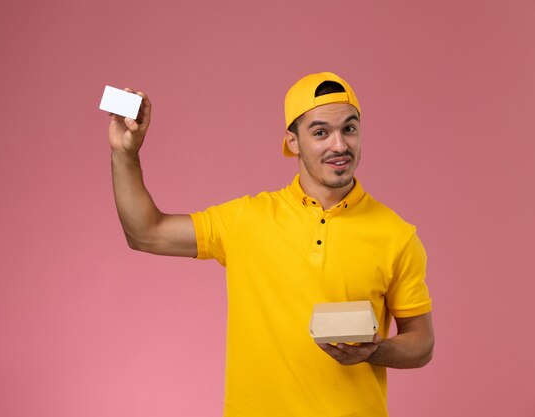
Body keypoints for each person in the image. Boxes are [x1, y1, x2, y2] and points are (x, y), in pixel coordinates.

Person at [107, 72, 434, 417]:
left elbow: (421, 343)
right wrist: (124, 154)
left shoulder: (396, 234)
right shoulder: (247, 219)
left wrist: (375, 350)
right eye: (320, 132)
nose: (339, 145)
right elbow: (146, 233)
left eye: (349, 129)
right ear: (293, 142)